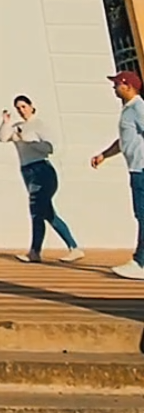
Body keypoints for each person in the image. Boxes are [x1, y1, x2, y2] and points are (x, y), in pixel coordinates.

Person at [0, 96, 83, 264]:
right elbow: (1, 138)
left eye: (24, 106)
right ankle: (73, 248)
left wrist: (28, 141)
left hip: (42, 171)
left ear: (31, 106)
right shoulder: (18, 127)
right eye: (18, 107)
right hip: (27, 171)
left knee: (37, 211)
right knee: (47, 213)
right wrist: (6, 123)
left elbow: (49, 148)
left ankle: (35, 252)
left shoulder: (39, 125)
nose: (21, 110)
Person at [90, 69, 144, 279]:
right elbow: (124, 141)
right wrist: (105, 154)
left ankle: (141, 263)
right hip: (137, 169)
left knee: (143, 215)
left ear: (127, 86)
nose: (114, 87)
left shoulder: (138, 108)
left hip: (141, 169)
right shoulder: (129, 110)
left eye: (116, 84)